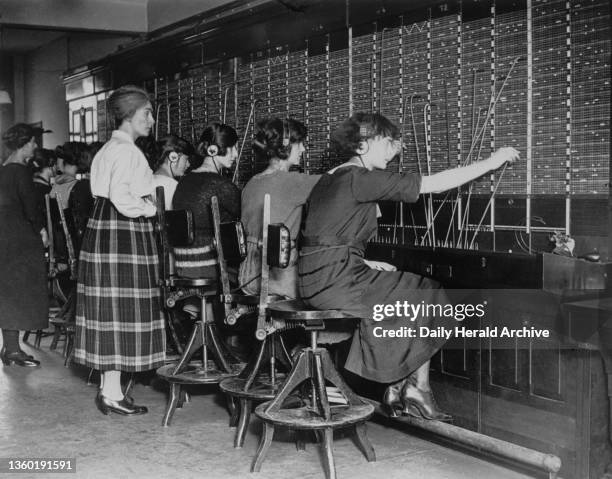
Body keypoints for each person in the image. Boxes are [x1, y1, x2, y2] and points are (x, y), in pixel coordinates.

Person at [298, 112, 520, 420]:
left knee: (410, 290)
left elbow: (325, 234)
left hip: (317, 277)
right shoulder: (359, 177)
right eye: (388, 142)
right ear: (363, 146)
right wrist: (492, 161)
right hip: (335, 282)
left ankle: (402, 386)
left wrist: (363, 261)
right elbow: (437, 184)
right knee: (427, 290)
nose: (394, 151)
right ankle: (415, 387)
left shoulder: (331, 177)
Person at [74, 85, 164, 416]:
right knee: (122, 310)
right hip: (123, 233)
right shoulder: (127, 152)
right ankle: (111, 392)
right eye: (147, 113)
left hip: (104, 230)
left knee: (111, 313)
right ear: (129, 115)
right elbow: (123, 198)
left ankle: (110, 391)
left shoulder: (108, 148)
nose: (151, 120)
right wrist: (150, 209)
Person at [239, 118, 319, 298]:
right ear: (287, 146)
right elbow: (338, 183)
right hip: (278, 279)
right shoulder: (293, 181)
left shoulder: (251, 183)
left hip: (247, 277)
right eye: (300, 144)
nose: (304, 150)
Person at [0, 124, 49, 367]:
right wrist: (42, 230)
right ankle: (11, 350)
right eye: (33, 142)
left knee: (9, 292)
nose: (36, 146)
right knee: (21, 292)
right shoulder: (20, 172)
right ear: (24, 143)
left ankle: (10, 347)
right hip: (20, 240)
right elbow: (31, 208)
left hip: (5, 238)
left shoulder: (3, 170)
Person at [172, 123, 241, 279]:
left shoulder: (184, 181)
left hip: (182, 263)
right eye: (233, 148)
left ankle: (197, 304)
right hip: (206, 263)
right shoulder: (220, 184)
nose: (236, 155)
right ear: (214, 150)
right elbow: (243, 215)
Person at [139, 134, 193, 210]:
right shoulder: (172, 185)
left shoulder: (148, 180)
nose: (188, 164)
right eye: (186, 159)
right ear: (173, 157)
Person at [29, 148, 57, 222]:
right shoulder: (48, 191)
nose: (57, 167)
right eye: (56, 164)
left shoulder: (29, 185)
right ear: (51, 165)